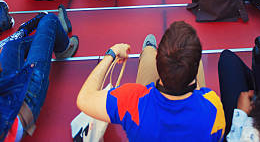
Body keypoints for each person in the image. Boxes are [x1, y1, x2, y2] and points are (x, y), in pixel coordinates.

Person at [77, 21, 225, 141]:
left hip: (151, 99)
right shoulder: (213, 107)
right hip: (189, 88)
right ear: (193, 76)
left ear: (159, 62)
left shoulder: (132, 100)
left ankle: (149, 49)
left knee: (147, 53)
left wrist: (112, 53)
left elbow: (84, 99)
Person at [0, 8, 78, 141]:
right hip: (16, 111)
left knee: (11, 46)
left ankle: (51, 36)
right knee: (50, 20)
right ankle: (63, 47)